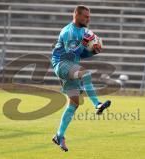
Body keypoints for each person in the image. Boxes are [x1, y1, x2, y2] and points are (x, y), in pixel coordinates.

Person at [51, 5, 111, 152]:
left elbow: (80, 55)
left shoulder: (83, 31)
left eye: (89, 17)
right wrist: (84, 43)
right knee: (86, 73)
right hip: (62, 64)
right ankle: (97, 104)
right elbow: (70, 55)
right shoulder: (68, 32)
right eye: (86, 16)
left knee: (74, 104)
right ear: (76, 15)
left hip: (72, 66)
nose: (88, 19)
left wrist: (93, 52)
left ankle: (59, 135)